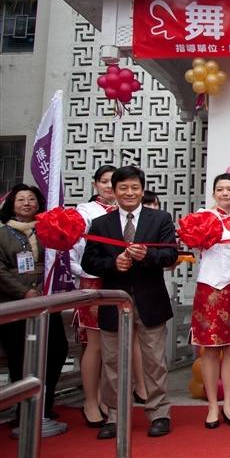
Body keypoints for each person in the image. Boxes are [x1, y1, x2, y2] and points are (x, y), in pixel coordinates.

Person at [82, 166, 178, 439]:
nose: (129, 192)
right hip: (114, 302)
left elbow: (170, 255)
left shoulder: (160, 219)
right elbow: (89, 262)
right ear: (113, 190)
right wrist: (113, 263)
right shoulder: (101, 223)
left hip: (150, 300)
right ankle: (115, 415)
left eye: (135, 187)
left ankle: (158, 413)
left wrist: (147, 255)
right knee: (113, 362)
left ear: (142, 189)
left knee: (155, 361)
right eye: (123, 187)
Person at [0, 184, 69, 428]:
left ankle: (45, 403)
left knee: (57, 349)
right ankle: (23, 408)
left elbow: (58, 261)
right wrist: (24, 292)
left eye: (31, 199)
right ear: (12, 205)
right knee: (19, 356)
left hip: (46, 301)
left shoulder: (48, 231)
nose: (26, 203)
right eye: (20, 199)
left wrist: (43, 290)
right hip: (14, 303)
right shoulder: (3, 234)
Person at [190, 173, 230, 429]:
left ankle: (228, 404)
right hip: (212, 288)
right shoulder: (204, 217)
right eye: (220, 189)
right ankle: (212, 406)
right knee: (211, 349)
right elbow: (196, 247)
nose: (225, 193)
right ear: (214, 193)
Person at [69, 165, 125, 426]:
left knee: (113, 344)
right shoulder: (85, 212)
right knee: (94, 343)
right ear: (95, 185)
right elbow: (73, 251)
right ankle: (90, 401)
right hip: (93, 282)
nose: (109, 186)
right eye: (104, 181)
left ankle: (105, 397)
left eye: (114, 182)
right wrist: (87, 272)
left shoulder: (125, 212)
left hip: (119, 281)